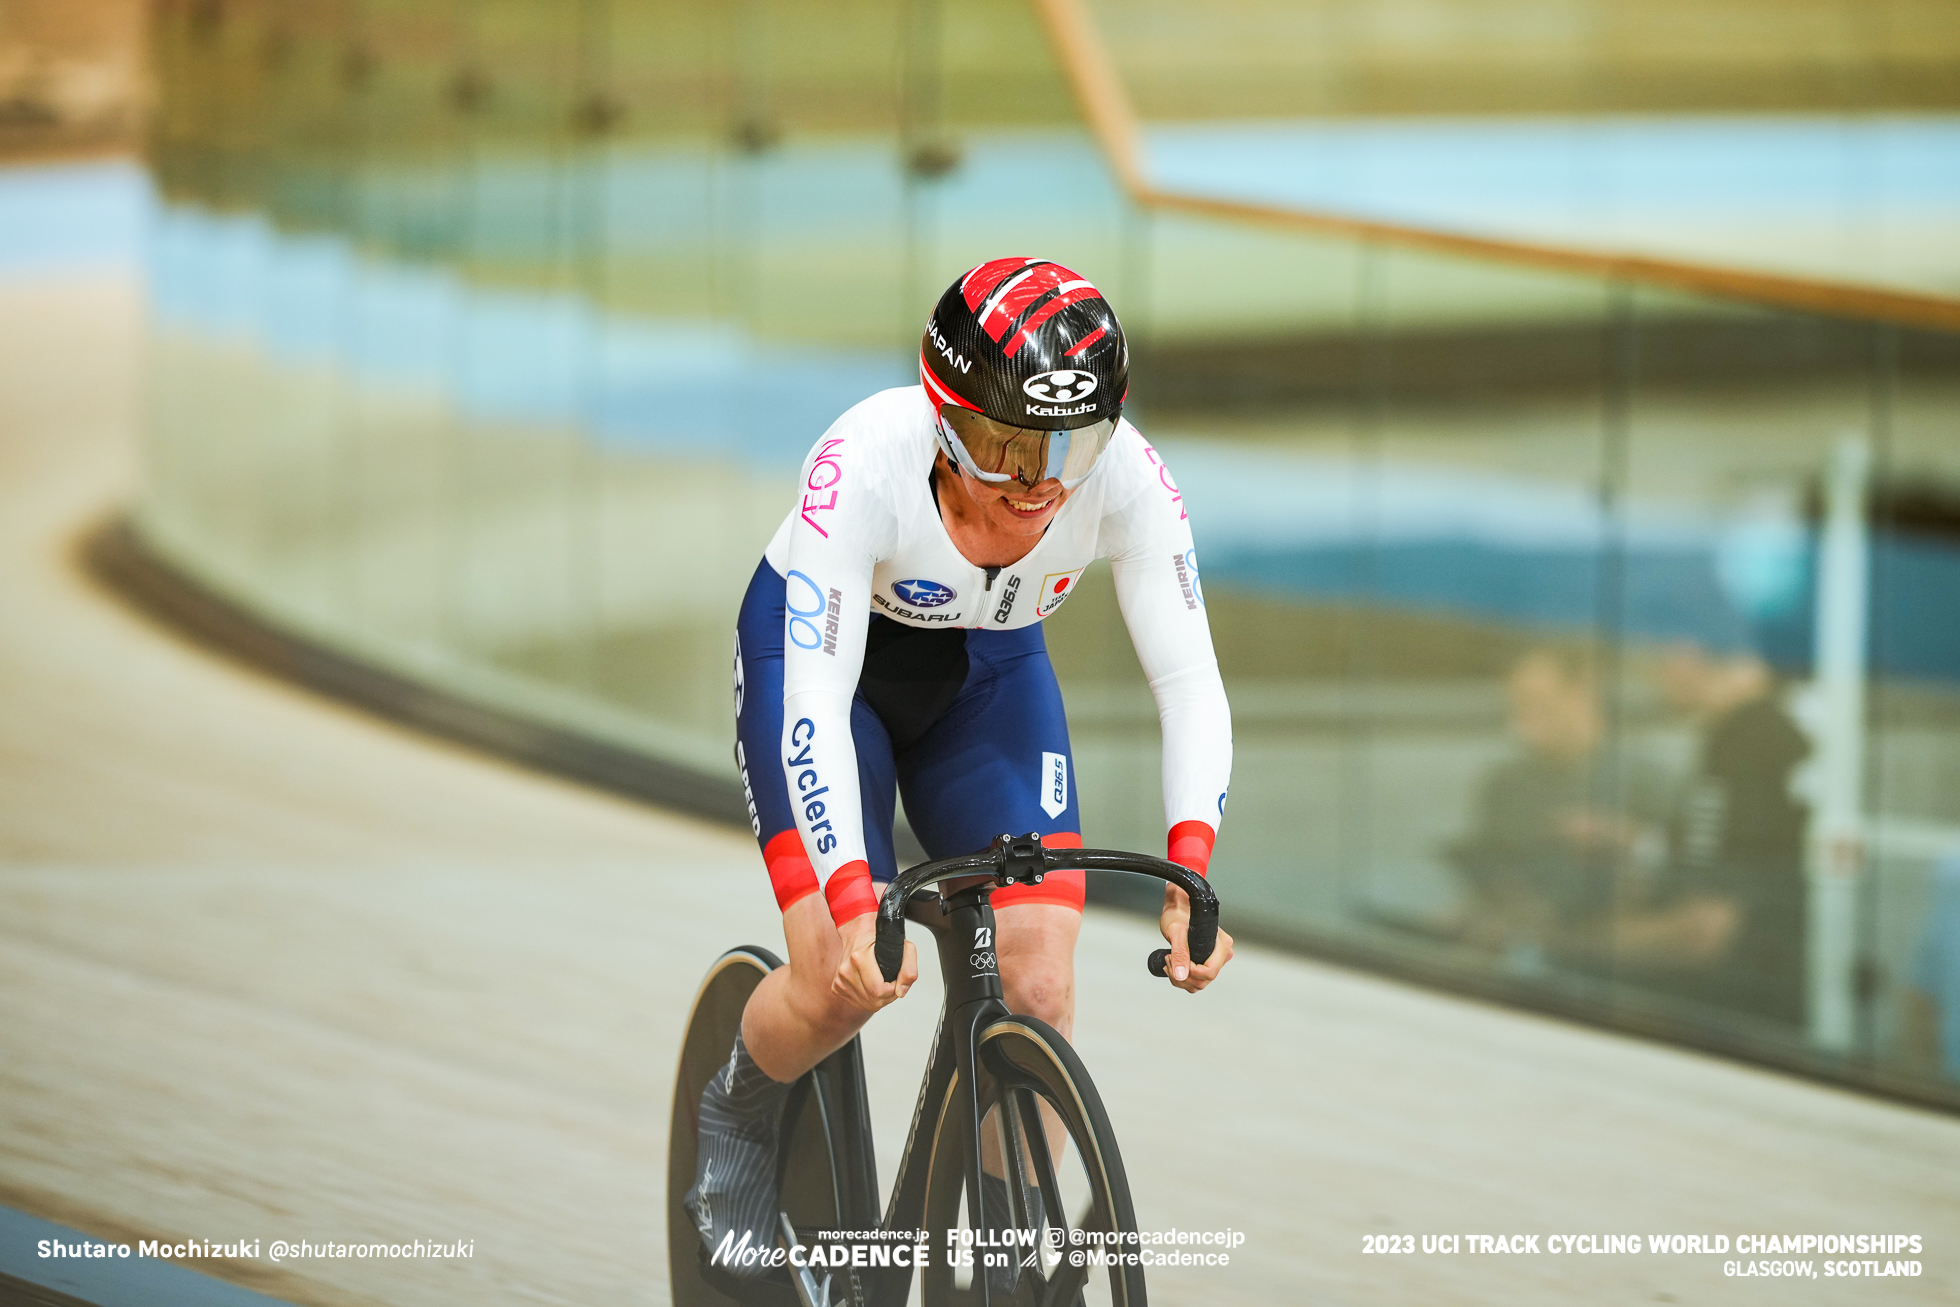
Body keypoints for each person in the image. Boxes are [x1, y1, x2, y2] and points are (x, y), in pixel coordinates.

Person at [685, 257, 1236, 1269]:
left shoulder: (1124, 476)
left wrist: (1191, 863)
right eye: (1006, 448)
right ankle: (734, 1112)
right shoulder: (862, 458)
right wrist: (853, 890)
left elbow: (1189, 680)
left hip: (987, 680)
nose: (1042, 481)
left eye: (1072, 445)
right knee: (842, 981)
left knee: (1040, 985)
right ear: (943, 422)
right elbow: (812, 693)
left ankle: (1004, 1246)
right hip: (826, 677)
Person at [1610, 645, 1810, 1026]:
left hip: (1736, 1022)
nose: (1660, 665)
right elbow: (1720, 853)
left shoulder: (1750, 746)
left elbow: (1703, 933)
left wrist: (1571, 939)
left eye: (1671, 643)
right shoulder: (1748, 741)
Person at [1445, 647, 1669, 969]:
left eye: (1537, 701)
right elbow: (1490, 869)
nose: (1522, 717)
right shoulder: (1504, 784)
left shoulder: (1646, 782)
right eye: (1516, 705)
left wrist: (1629, 840)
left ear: (1583, 690)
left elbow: (1679, 880)